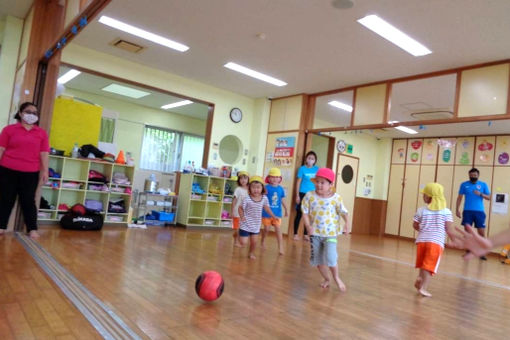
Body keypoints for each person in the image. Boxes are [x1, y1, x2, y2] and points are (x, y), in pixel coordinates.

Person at [0, 102, 49, 238]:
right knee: (6, 199)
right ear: (21, 113)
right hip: (7, 169)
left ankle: (32, 229)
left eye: (34, 113)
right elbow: (1, 149)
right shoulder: (9, 130)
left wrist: (45, 171)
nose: (31, 115)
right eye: (28, 112)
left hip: (30, 172)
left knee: (28, 201)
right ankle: (1, 226)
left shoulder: (41, 133)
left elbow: (44, 153)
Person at [302, 168, 349, 291]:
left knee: (331, 257)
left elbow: (344, 212)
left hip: (330, 234)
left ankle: (336, 278)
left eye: (323, 182)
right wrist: (308, 226)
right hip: (315, 234)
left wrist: (346, 224)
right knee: (318, 261)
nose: (319, 185)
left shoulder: (336, 198)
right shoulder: (309, 196)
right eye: (317, 181)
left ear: (330, 185)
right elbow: (305, 213)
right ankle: (327, 279)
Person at [413, 183, 455, 297]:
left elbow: (415, 225)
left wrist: (422, 229)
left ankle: (420, 278)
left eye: (424, 195)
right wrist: (453, 240)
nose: (423, 197)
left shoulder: (421, 210)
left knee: (423, 263)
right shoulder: (446, 212)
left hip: (421, 241)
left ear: (431, 197)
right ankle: (424, 288)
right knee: (429, 266)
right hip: (436, 243)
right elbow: (450, 229)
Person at [455, 168, 490, 260]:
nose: (473, 177)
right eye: (471, 175)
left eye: (475, 175)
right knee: (467, 233)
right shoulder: (464, 185)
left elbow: (489, 197)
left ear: (478, 175)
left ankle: (482, 252)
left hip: (479, 212)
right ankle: (468, 251)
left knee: (481, 232)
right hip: (467, 212)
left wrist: (480, 194)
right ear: (469, 175)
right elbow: (459, 198)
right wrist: (457, 209)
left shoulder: (483, 185)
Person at [238, 176, 276, 259]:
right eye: (253, 187)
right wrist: (242, 216)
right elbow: (240, 208)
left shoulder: (264, 198)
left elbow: (266, 208)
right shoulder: (247, 198)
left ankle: (251, 253)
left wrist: (273, 216)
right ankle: (239, 236)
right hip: (245, 223)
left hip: (256, 224)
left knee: (254, 242)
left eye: (258, 187)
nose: (256, 190)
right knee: (243, 243)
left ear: (262, 188)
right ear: (249, 188)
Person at [261, 167, 288, 255]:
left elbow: (283, 200)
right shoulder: (266, 188)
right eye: (272, 177)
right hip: (267, 213)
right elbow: (261, 199)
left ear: (280, 179)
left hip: (277, 214)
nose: (275, 179)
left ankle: (280, 247)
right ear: (268, 178)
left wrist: (286, 209)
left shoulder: (280, 189)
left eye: (277, 177)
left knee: (278, 229)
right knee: (266, 229)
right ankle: (263, 239)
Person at [293, 150, 319, 241]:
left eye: (313, 158)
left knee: (309, 215)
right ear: (306, 159)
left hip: (313, 195)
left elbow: (318, 181)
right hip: (302, 193)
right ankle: (295, 234)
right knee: (299, 214)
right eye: (309, 158)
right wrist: (297, 195)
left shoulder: (317, 169)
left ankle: (306, 234)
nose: (311, 160)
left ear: (315, 160)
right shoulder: (302, 169)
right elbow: (298, 182)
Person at [231, 171, 249, 247]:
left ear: (248, 179)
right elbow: (234, 201)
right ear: (239, 180)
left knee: (242, 228)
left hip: (245, 213)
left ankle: (239, 239)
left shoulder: (250, 190)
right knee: (237, 228)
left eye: (245, 178)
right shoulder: (238, 189)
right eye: (241, 178)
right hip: (237, 212)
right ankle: (236, 240)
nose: (243, 180)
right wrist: (232, 211)